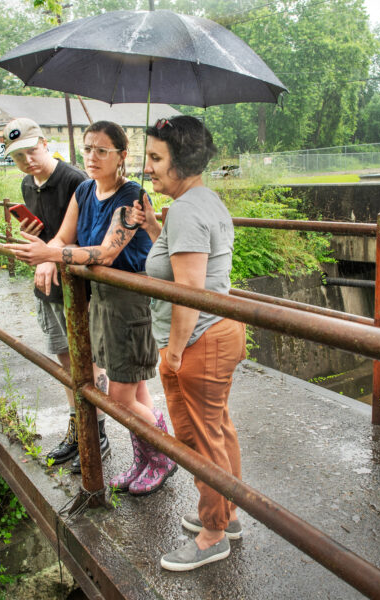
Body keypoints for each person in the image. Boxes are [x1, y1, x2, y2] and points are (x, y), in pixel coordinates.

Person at [6, 120, 177, 492]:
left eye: (102, 150)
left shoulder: (133, 197)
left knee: (118, 397)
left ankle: (165, 457)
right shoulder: (83, 190)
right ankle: (145, 458)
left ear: (121, 156)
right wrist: (45, 246)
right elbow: (66, 236)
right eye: (87, 149)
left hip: (128, 304)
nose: (93, 156)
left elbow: (106, 252)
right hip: (99, 300)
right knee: (136, 392)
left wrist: (52, 253)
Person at [135, 116, 247, 571]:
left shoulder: (186, 209)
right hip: (219, 332)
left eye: (156, 158)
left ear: (181, 163)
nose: (149, 167)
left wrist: (175, 355)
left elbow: (189, 293)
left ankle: (213, 534)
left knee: (200, 440)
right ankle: (228, 513)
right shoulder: (203, 201)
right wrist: (151, 232)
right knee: (217, 429)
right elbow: (185, 264)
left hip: (197, 340)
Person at [1, 117, 110, 470]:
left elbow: (94, 234)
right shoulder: (26, 186)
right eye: (19, 156)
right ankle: (78, 428)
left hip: (79, 286)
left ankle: (98, 432)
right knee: (65, 359)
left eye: (32, 151)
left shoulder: (76, 180)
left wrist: (51, 252)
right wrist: (37, 238)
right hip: (48, 285)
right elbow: (47, 232)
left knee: (89, 360)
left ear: (45, 143)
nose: (28, 161)